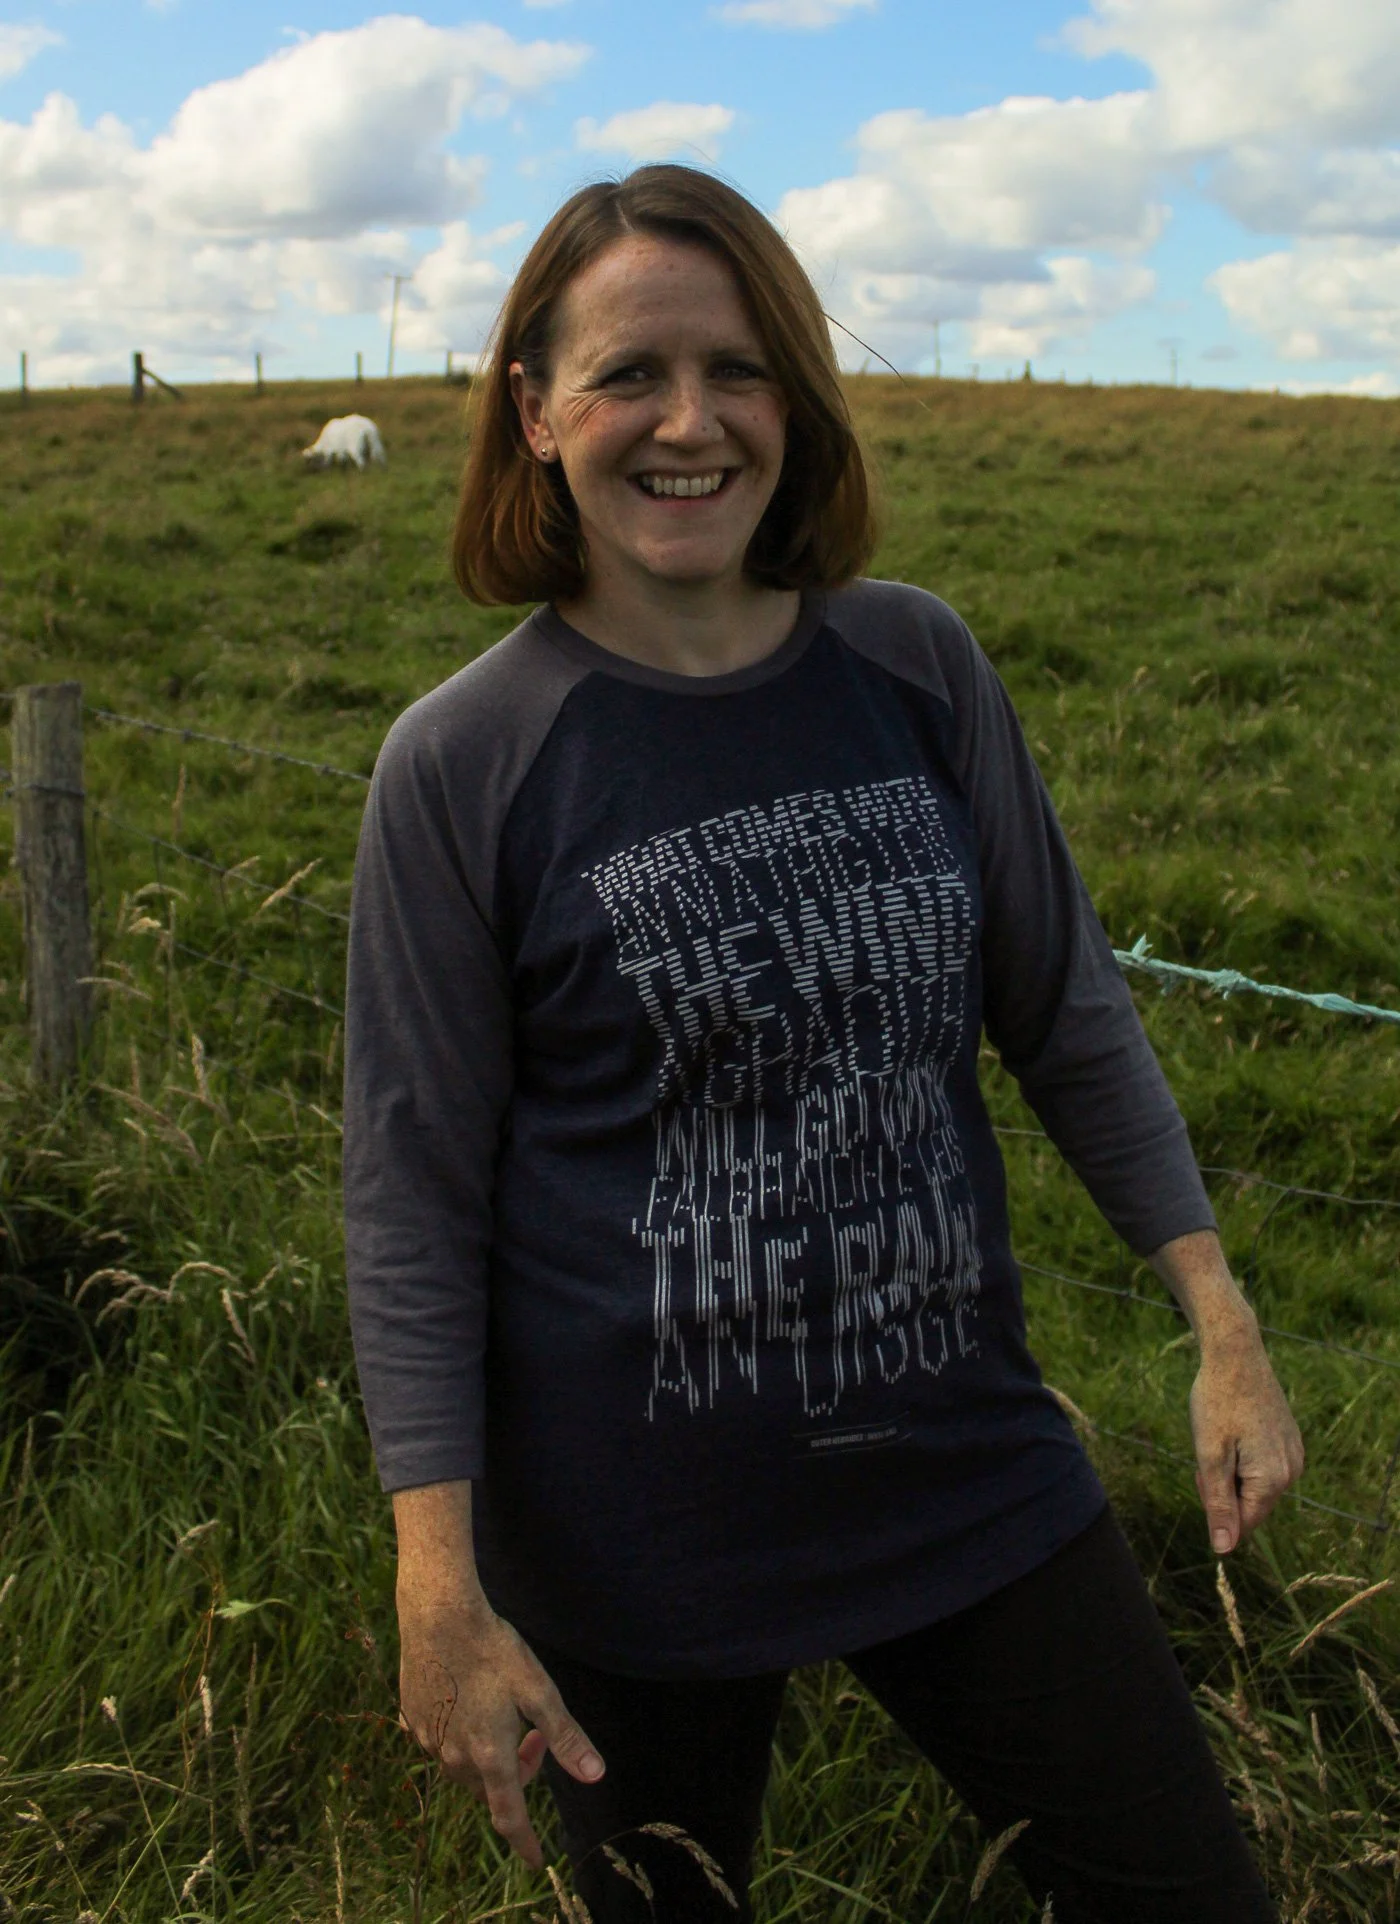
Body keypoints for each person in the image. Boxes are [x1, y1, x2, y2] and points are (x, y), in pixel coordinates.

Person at [343, 165, 1304, 1923]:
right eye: (629, 374)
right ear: (537, 413)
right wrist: (440, 1582)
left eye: (739, 368)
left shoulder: (913, 665)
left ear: (796, 397)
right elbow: (411, 1198)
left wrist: (1218, 1318)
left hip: (967, 1474)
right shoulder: (463, 764)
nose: (687, 422)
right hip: (637, 1547)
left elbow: (1066, 1009)